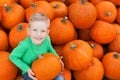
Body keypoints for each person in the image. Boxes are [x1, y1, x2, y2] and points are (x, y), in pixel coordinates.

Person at [9, 12, 64, 80]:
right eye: (35, 30)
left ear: (47, 33)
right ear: (29, 31)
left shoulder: (47, 39)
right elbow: (13, 56)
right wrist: (26, 68)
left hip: (48, 66)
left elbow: (50, 49)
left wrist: (57, 58)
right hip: (31, 71)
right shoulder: (25, 45)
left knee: (60, 78)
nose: (38, 34)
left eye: (43, 31)